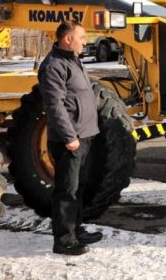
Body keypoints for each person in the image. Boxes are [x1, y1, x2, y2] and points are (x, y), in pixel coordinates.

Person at [38, 20, 103, 255]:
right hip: (70, 139)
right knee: (67, 190)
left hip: (84, 135)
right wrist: (69, 136)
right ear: (67, 38)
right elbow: (54, 106)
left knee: (79, 187)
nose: (85, 42)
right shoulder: (53, 66)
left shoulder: (74, 61)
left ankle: (76, 229)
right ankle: (64, 240)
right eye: (82, 37)